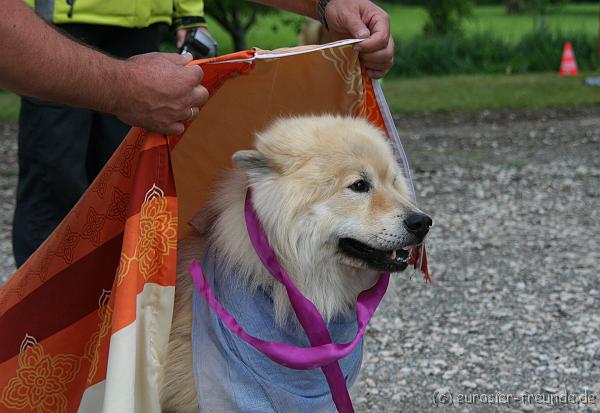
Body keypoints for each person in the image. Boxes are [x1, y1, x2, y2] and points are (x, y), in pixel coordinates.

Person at [0, 0, 394, 267]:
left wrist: (323, 4)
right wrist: (125, 87)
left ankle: (112, 338)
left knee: (127, 197)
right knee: (58, 188)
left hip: (139, 23)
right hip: (51, 28)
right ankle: (45, 346)